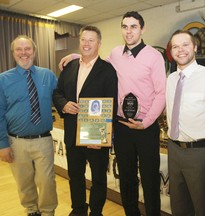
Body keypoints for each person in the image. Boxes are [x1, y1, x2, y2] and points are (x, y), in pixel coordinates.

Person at [59, 11, 166, 216]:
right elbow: (96, 64)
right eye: (125, 26)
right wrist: (75, 56)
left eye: (133, 26)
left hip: (145, 127)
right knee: (126, 179)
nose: (129, 31)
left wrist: (146, 122)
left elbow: (162, 93)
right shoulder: (116, 53)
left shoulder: (154, 56)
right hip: (122, 127)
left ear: (142, 29)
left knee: (149, 178)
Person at [53, 26, 118, 216]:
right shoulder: (70, 67)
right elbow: (57, 93)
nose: (86, 44)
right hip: (73, 133)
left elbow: (111, 104)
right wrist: (63, 105)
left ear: (99, 44)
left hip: (95, 135)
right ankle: (78, 209)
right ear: (79, 42)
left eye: (91, 40)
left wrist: (101, 137)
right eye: (83, 39)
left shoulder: (107, 70)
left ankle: (96, 212)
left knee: (98, 178)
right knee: (75, 176)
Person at [0, 35, 58, 216]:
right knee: (24, 182)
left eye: (27, 49)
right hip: (16, 142)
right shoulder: (3, 79)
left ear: (34, 51)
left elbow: (62, 97)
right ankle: (32, 210)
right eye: (19, 49)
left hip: (44, 140)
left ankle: (48, 212)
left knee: (47, 180)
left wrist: (73, 61)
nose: (24, 53)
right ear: (13, 53)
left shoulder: (47, 75)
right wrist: (3, 145)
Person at [166, 29, 205, 216]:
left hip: (200, 154)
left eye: (185, 45)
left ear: (195, 47)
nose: (180, 50)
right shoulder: (170, 79)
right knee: (179, 207)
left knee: (203, 208)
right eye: (175, 46)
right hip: (174, 150)